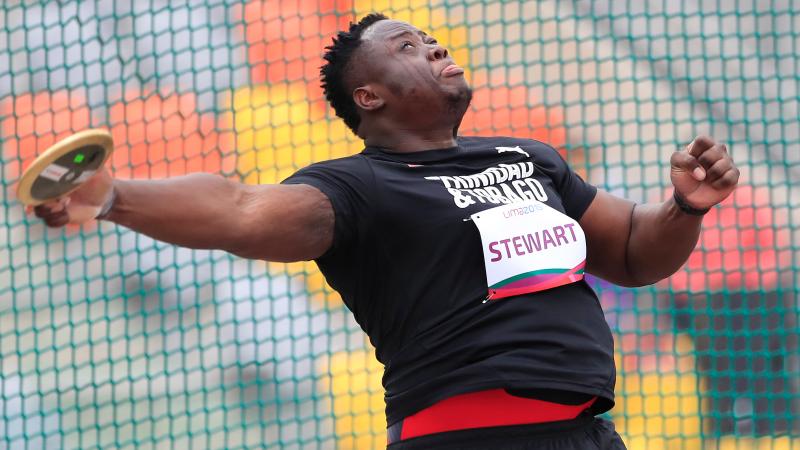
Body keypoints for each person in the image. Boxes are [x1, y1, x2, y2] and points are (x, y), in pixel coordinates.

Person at [33, 13, 739, 450]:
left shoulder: (528, 157)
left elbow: (632, 254)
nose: (434, 47)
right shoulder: (358, 186)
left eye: (431, 38)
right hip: (470, 439)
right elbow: (242, 210)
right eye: (408, 46)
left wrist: (684, 208)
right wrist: (114, 196)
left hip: (586, 430)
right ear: (367, 96)